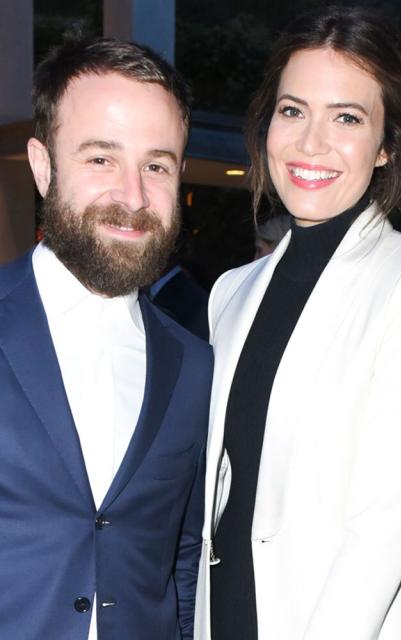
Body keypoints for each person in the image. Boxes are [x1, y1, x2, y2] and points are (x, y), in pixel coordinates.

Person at [193, 6, 401, 639]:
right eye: (293, 111)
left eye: (346, 118)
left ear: (384, 147)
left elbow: (381, 531)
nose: (311, 143)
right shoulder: (230, 293)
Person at [0, 37, 211, 640]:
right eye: (101, 158)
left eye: (157, 165)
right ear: (43, 168)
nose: (134, 196)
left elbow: (181, 560)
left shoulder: (193, 365)